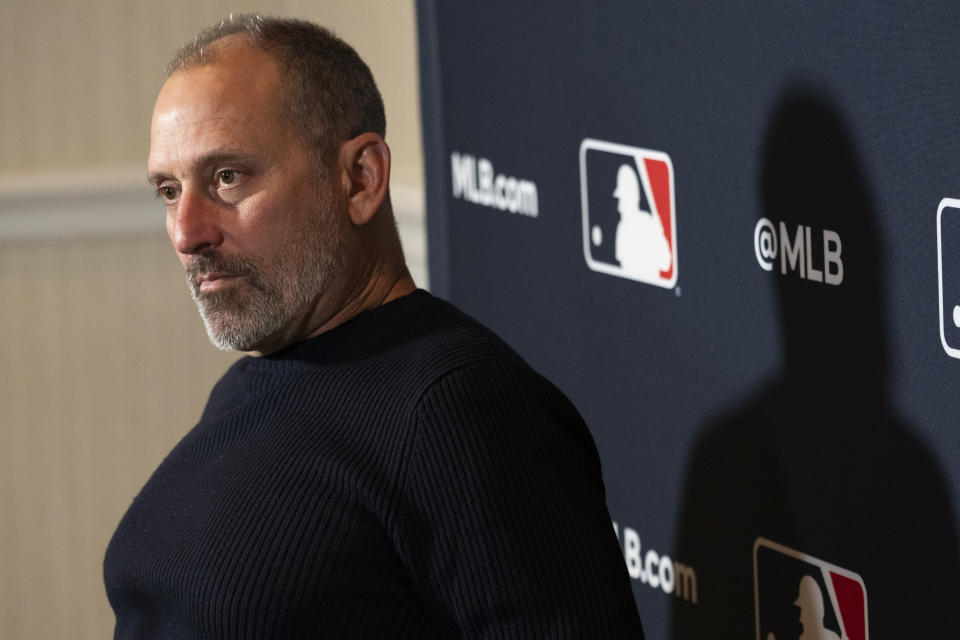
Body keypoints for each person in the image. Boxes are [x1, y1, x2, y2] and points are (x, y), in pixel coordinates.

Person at [103, 14, 645, 639]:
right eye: (169, 190)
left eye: (228, 177)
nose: (186, 232)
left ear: (361, 179)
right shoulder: (250, 383)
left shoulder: (462, 413)